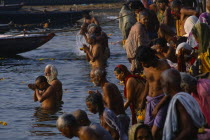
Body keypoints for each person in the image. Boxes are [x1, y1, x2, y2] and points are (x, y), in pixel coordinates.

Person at [136, 47, 170, 140]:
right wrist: (143, 99)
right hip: (150, 101)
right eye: (141, 63)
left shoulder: (165, 67)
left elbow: (169, 91)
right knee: (147, 130)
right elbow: (148, 82)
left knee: (154, 132)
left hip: (162, 101)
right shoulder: (146, 67)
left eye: (144, 62)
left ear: (151, 58)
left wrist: (158, 107)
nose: (143, 65)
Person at [161, 69, 205, 140]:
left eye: (161, 82)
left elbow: (188, 129)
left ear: (167, 85)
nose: (161, 86)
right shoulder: (187, 96)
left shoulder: (179, 100)